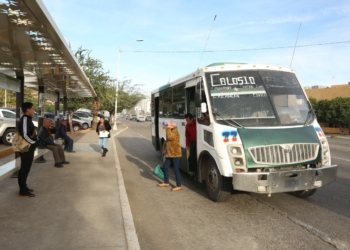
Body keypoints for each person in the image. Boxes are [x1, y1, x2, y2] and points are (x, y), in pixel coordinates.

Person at [18, 102, 39, 197]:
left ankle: (24, 187)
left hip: (28, 147)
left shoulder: (27, 119)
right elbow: (25, 134)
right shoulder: (25, 119)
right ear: (28, 110)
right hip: (26, 148)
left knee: (26, 169)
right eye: (32, 109)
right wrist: (34, 143)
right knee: (24, 169)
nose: (33, 110)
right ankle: (23, 190)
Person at [158, 121, 182, 191]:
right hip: (169, 153)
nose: (166, 127)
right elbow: (167, 141)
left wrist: (167, 129)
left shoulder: (175, 131)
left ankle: (178, 185)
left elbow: (170, 137)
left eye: (168, 125)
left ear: (172, 126)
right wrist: (165, 149)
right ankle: (166, 182)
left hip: (175, 153)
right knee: (165, 166)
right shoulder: (170, 130)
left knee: (176, 169)